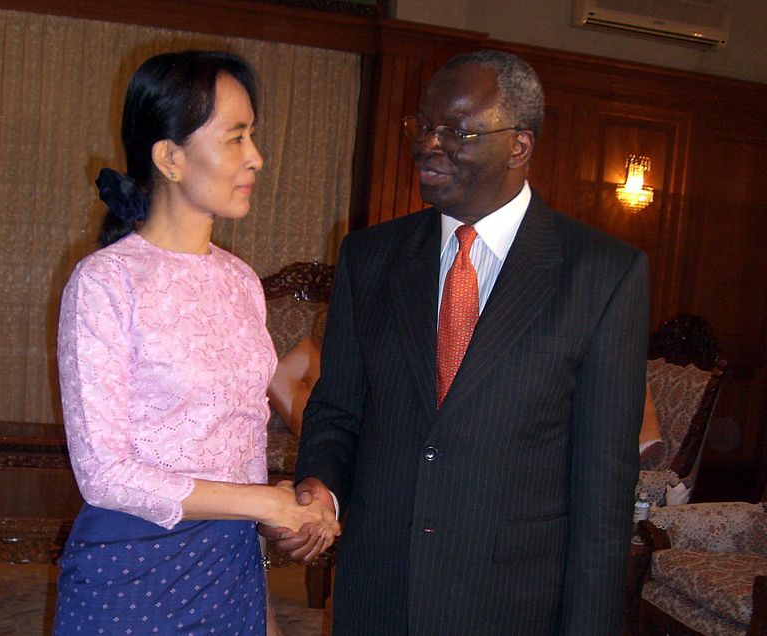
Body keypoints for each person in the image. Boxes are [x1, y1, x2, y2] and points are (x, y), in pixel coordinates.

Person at [264, 49, 649, 634]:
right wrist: (321, 489)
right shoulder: (369, 258)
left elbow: (603, 490)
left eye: (458, 132)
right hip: (379, 588)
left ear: (519, 145)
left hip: (511, 601)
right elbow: (337, 411)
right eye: (424, 127)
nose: (429, 146)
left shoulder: (601, 273)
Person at [54, 50, 339, 635]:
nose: (256, 157)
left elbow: (239, 447)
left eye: (253, 136)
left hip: (229, 568)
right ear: (170, 158)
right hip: (130, 571)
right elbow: (105, 475)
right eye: (236, 138)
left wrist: (285, 515)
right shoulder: (106, 281)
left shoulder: (240, 282)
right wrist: (264, 503)